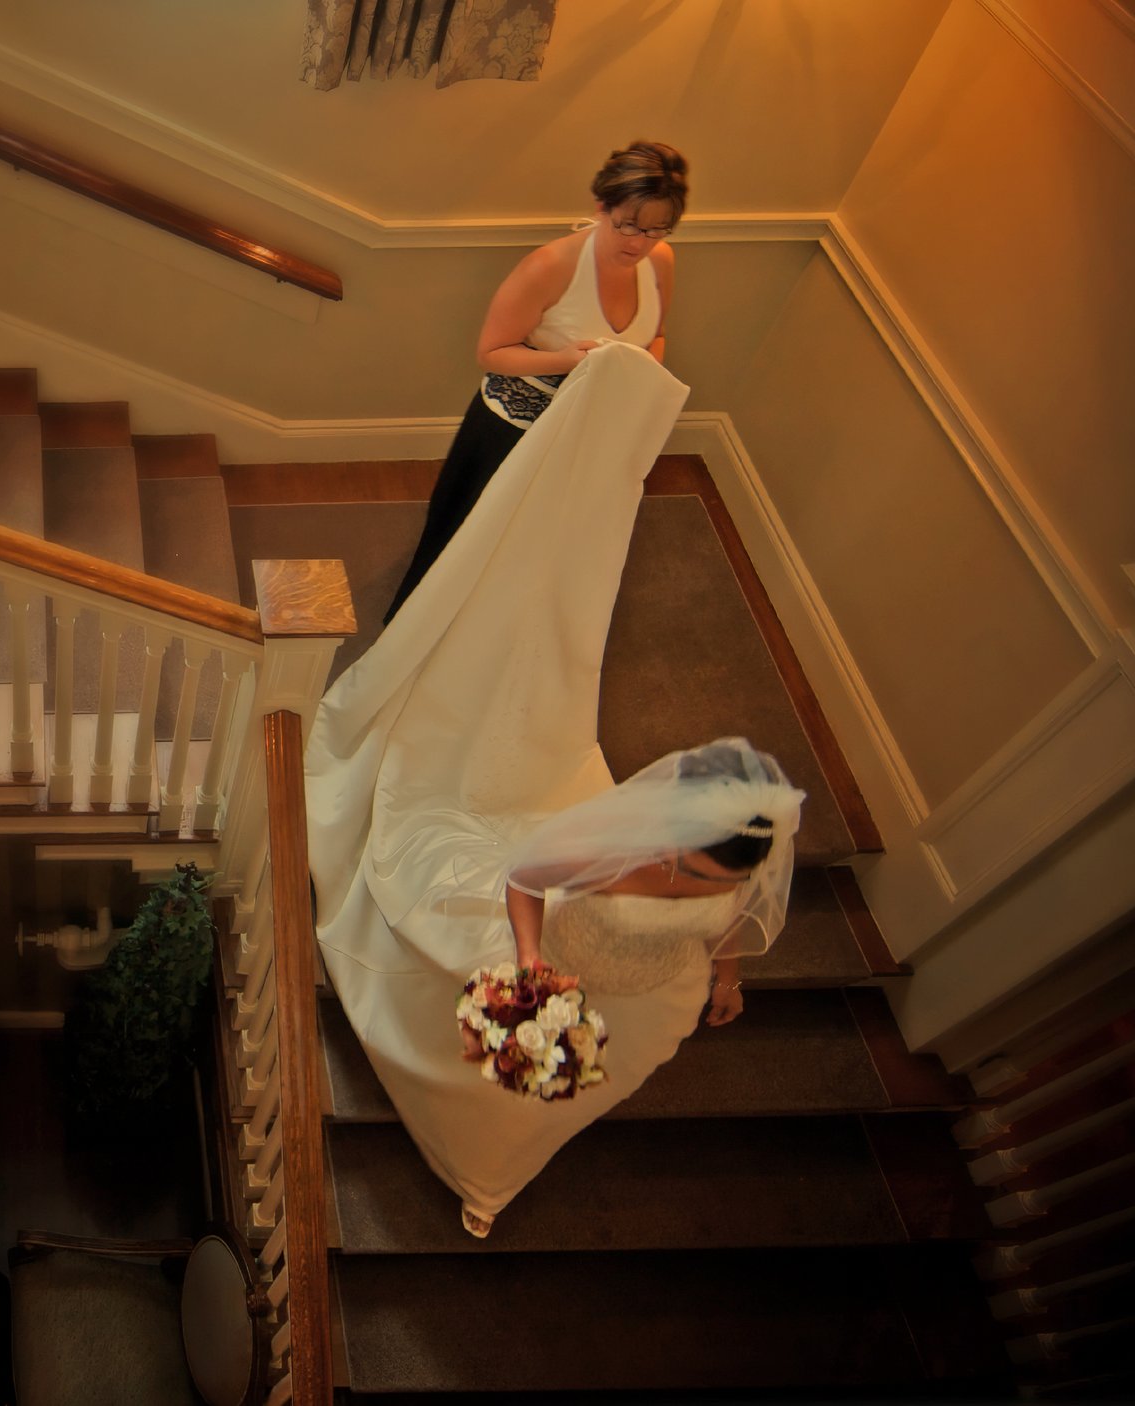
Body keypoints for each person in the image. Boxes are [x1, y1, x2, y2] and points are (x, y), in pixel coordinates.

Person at [307, 329, 805, 1241]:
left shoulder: (732, 864)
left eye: (702, 869)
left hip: (643, 993)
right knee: (500, 1097)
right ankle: (481, 1170)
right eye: (684, 858)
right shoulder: (604, 844)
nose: (684, 873)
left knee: (566, 1087)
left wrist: (724, 975)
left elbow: (727, 912)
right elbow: (526, 879)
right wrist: (531, 968)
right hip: (553, 957)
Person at [383, 140, 686, 625]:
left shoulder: (661, 262)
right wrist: (568, 360)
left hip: (590, 430)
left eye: (655, 230)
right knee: (468, 540)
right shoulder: (549, 266)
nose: (638, 243)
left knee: (542, 548)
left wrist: (638, 379)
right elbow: (491, 353)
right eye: (627, 224)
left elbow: (658, 335)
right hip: (512, 430)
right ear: (600, 206)